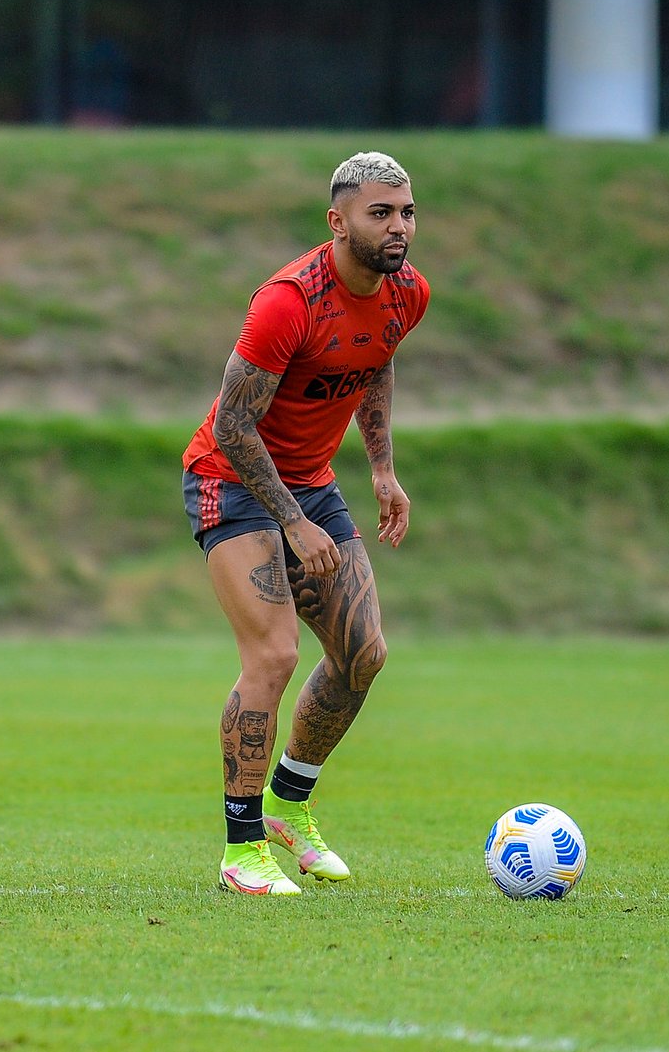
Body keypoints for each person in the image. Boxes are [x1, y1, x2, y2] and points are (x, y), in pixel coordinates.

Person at [182, 151, 429, 895]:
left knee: (363, 654)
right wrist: (292, 522)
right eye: (380, 212)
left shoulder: (406, 293)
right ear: (339, 220)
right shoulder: (289, 300)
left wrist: (381, 469)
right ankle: (242, 849)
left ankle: (289, 802)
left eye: (408, 211)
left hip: (310, 484)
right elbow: (232, 425)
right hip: (231, 479)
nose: (399, 226)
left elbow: (374, 361)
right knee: (275, 657)